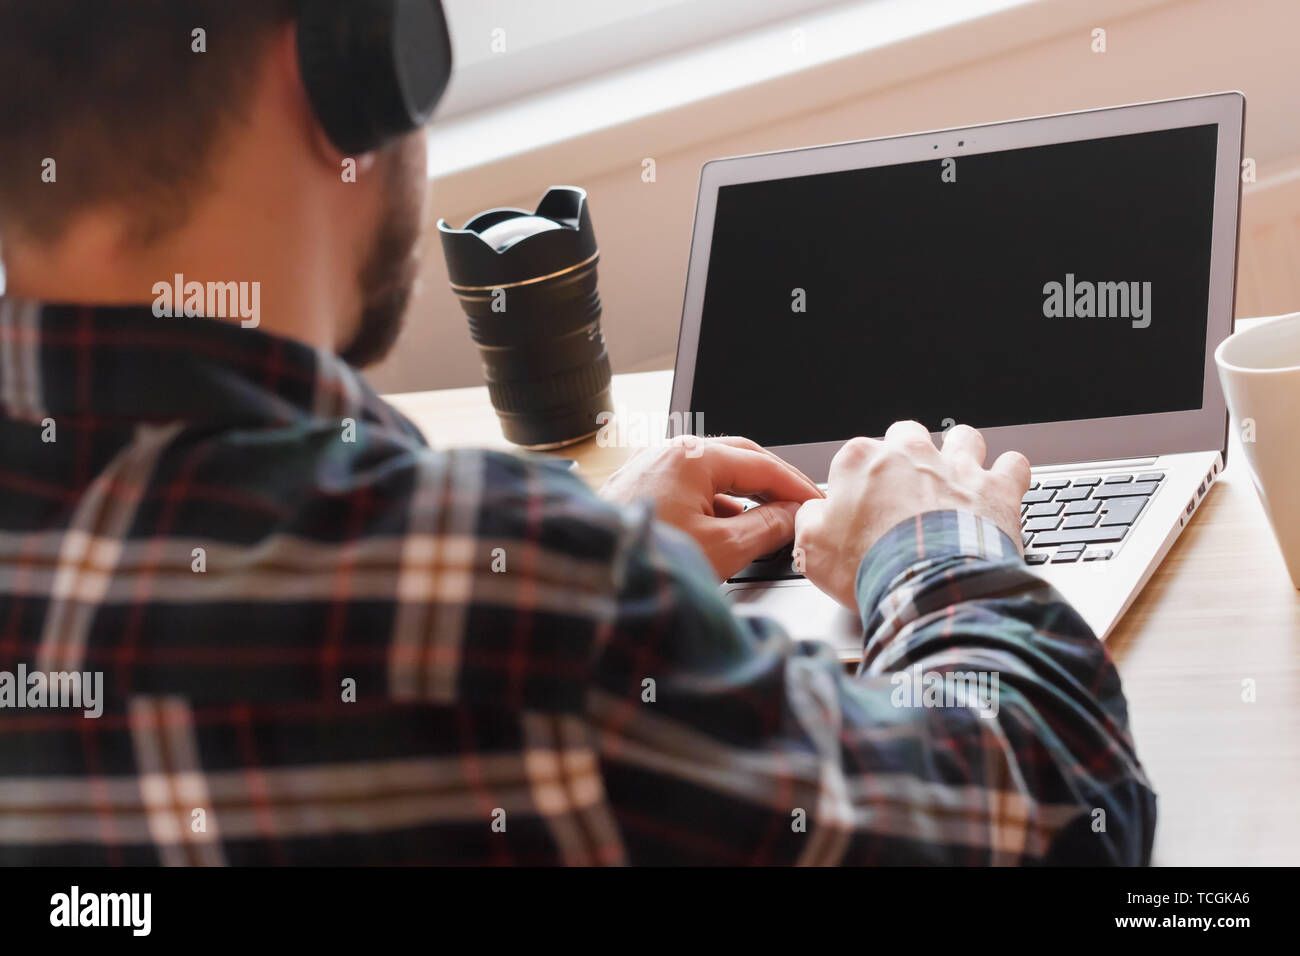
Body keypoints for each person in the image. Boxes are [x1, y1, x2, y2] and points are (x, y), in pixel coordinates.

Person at [0, 1, 1154, 865]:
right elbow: (1046, 815)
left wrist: (581, 556)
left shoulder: (494, 594)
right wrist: (937, 547)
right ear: (358, 60)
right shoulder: (498, 622)